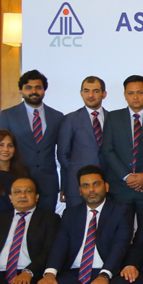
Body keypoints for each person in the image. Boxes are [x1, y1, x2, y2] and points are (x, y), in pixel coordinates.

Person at [0, 70, 64, 211]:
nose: (33, 91)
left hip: (48, 184)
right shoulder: (8, 115)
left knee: (46, 226)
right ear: (21, 91)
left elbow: (63, 153)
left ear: (44, 90)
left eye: (38, 87)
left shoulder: (57, 116)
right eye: (28, 87)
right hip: (18, 181)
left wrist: (65, 185)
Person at [102, 75, 143, 219]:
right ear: (125, 95)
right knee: (120, 234)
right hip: (120, 189)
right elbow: (108, 150)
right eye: (131, 93)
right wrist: (126, 176)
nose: (135, 97)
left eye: (140, 92)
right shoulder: (113, 117)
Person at [58, 76, 108, 208]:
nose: (90, 95)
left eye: (96, 91)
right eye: (86, 91)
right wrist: (78, 175)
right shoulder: (70, 119)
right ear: (81, 93)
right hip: (77, 185)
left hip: (108, 184)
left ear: (104, 94)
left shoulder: (113, 118)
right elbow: (63, 155)